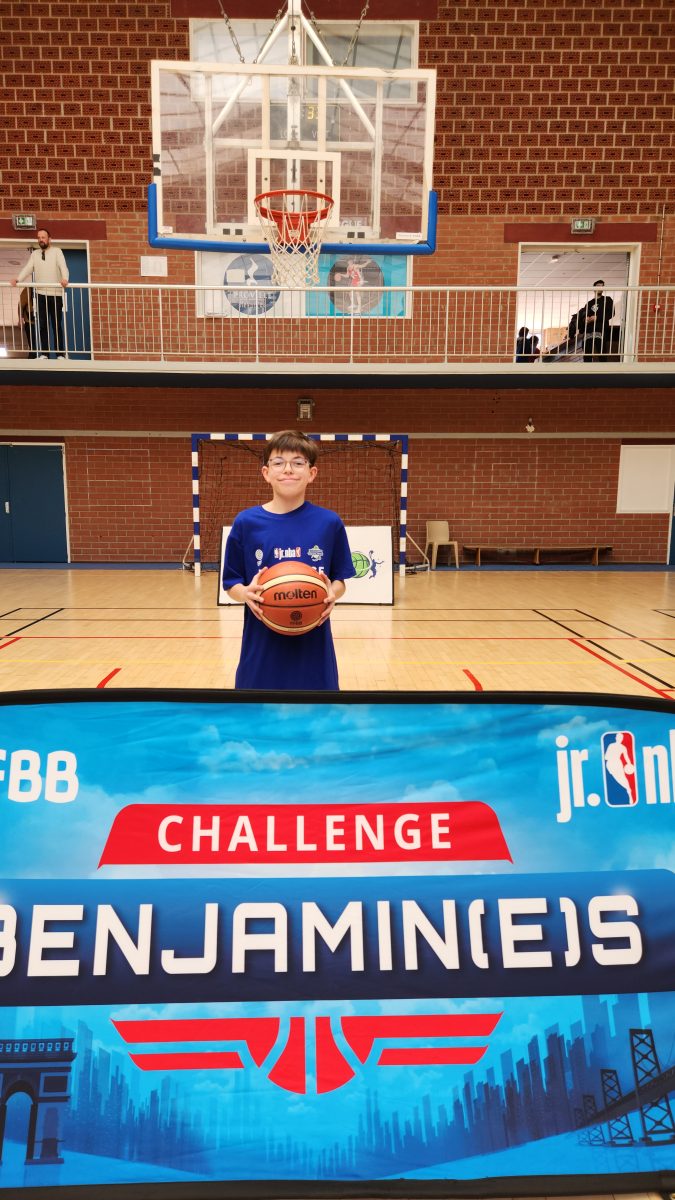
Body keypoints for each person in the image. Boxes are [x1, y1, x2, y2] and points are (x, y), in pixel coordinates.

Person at [222, 430, 356, 690]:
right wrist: (245, 593)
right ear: (266, 473)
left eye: (298, 463)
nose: (288, 470)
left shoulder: (329, 523)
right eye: (278, 462)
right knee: (256, 714)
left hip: (314, 653)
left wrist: (332, 592)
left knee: (319, 714)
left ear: (311, 473)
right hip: (261, 652)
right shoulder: (246, 523)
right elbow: (231, 583)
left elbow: (340, 579)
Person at [11, 228, 69, 359]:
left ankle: (60, 354)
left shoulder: (57, 251)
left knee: (56, 325)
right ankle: (44, 353)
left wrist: (65, 278)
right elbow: (28, 268)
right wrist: (18, 279)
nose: (40, 240)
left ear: (49, 239)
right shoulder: (35, 254)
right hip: (40, 294)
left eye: (43, 237)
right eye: (38, 238)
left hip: (56, 294)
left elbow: (63, 266)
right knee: (43, 325)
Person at [576, 279, 615, 362]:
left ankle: (603, 368)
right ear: (594, 288)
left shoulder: (607, 300)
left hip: (600, 329)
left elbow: (611, 313)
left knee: (601, 351)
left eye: (602, 286)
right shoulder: (589, 303)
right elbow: (584, 315)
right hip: (589, 330)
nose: (600, 288)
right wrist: (585, 319)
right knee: (587, 352)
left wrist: (597, 317)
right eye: (598, 286)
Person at [18, 287, 37, 358]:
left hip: (42, 322)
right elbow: (21, 305)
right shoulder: (28, 289)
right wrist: (20, 319)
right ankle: (32, 357)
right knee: (33, 345)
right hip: (30, 322)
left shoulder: (43, 289)